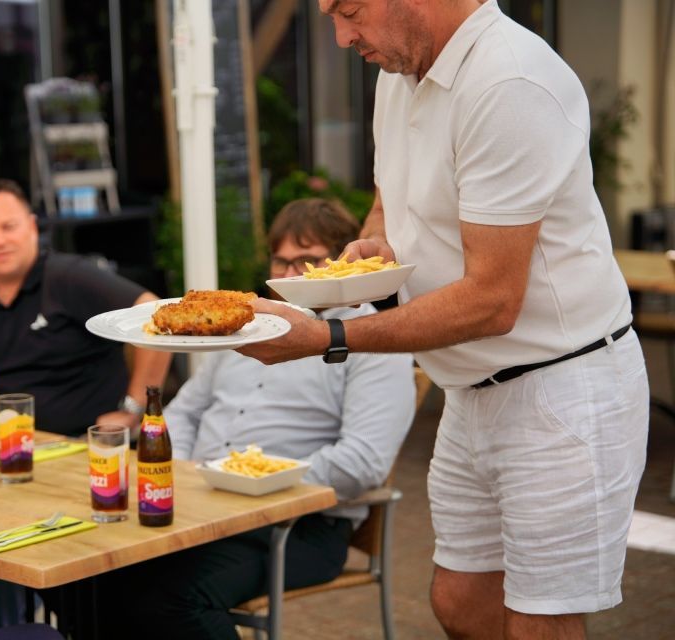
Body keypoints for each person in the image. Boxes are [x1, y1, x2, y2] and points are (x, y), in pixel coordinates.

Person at [239, 2, 650, 639]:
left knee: (540, 622)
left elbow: (492, 299)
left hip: (563, 388)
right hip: (469, 387)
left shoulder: (510, 81)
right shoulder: (397, 74)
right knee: (458, 602)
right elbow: (388, 200)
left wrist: (331, 336)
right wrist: (377, 248)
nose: (342, 37)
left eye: (348, 11)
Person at [96, 198, 417, 639]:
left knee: (169, 598)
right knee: (92, 578)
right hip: (202, 510)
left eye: (307, 261)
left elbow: (362, 462)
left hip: (299, 527)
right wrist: (184, 476)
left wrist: (253, 485)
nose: (289, 276)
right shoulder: (246, 323)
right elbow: (184, 413)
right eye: (281, 261)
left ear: (343, 263)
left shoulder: (368, 338)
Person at [0, 178, 172, 436]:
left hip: (82, 444)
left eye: (9, 227)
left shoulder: (70, 277)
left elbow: (154, 313)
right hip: (4, 446)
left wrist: (133, 409)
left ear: (31, 226)